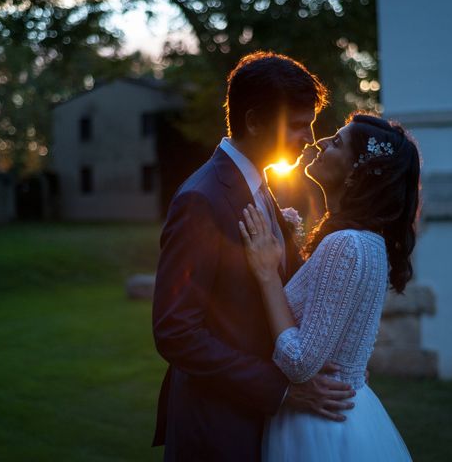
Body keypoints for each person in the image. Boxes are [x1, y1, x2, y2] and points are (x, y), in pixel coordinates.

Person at [152, 52, 358, 461]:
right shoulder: (202, 199)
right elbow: (176, 331)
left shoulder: (261, 189)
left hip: (259, 423)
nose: (310, 138)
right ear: (253, 121)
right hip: (219, 427)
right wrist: (281, 388)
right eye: (298, 125)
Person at [239, 113, 420, 461]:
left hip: (317, 425)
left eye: (336, 142)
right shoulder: (370, 243)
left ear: (356, 173)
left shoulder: (347, 245)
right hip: (345, 412)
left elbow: (302, 363)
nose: (319, 143)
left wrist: (266, 275)